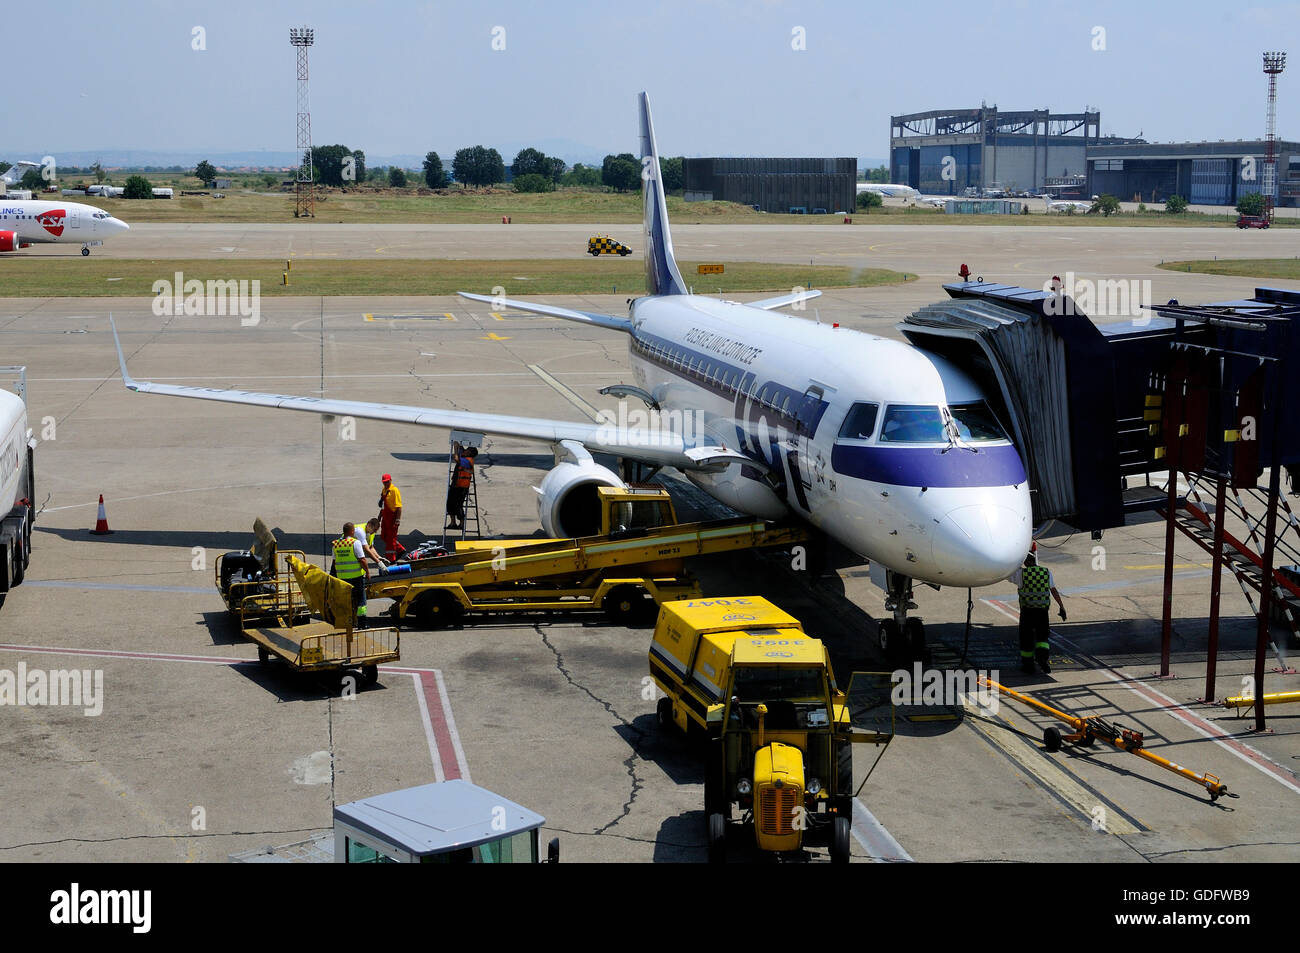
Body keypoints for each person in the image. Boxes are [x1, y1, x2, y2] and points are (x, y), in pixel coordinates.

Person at [1007, 548, 1067, 674]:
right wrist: (1061, 606)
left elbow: (1006, 573)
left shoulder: (1021, 575)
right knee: (1042, 638)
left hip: (1027, 612)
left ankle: (1028, 666)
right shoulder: (1046, 572)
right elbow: (1053, 590)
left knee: (1026, 638)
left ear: (1025, 562)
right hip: (1042, 612)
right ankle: (1043, 660)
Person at [332, 521, 370, 627]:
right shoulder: (355, 543)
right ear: (352, 531)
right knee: (360, 600)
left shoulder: (335, 544)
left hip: (342, 578)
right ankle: (362, 624)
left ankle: (346, 622)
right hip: (356, 577)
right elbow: (362, 560)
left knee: (346, 600)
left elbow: (334, 562)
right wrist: (367, 572)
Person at [446, 447, 477, 530]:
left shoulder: (468, 460)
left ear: (470, 453)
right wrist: (458, 444)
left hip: (462, 487)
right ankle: (453, 522)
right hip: (455, 484)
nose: (465, 450)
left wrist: (455, 450)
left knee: (458, 505)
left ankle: (462, 523)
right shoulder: (464, 457)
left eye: (467, 450)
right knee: (450, 504)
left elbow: (456, 458)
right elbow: (460, 448)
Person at [377, 474, 405, 560]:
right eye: (384, 482)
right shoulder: (384, 490)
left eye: (387, 482)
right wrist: (379, 516)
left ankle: (391, 559)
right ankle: (400, 549)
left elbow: (399, 507)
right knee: (383, 536)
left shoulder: (394, 490)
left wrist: (397, 520)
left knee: (390, 539)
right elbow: (383, 506)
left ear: (391, 480)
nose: (386, 484)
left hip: (392, 518)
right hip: (385, 517)